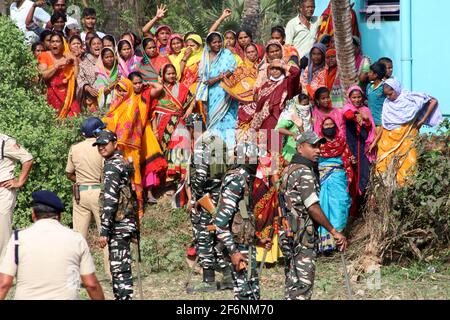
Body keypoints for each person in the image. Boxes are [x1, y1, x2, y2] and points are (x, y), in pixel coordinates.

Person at [279, 131, 347, 300]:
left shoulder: (288, 169)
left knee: (292, 283)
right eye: (313, 146)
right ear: (300, 148)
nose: (318, 150)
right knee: (302, 286)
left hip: (288, 232)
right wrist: (333, 231)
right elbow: (312, 207)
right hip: (301, 234)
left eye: (319, 146)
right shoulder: (304, 172)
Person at [0, 190, 104, 300]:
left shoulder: (18, 238)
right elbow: (91, 284)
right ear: (59, 216)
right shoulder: (76, 239)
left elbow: (4, 283)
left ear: (33, 214)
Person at [214, 143, 271, 300]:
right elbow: (220, 222)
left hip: (245, 245)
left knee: (250, 293)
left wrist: (258, 239)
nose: (258, 160)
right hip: (239, 248)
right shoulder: (237, 179)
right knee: (246, 295)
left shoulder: (245, 179)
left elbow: (242, 216)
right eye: (255, 157)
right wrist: (233, 251)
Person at [187, 113, 233, 291]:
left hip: (205, 198)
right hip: (220, 194)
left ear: (192, 128)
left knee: (203, 235)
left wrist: (195, 198)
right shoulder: (218, 140)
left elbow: (199, 176)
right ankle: (228, 275)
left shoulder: (201, 145)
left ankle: (209, 280)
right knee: (218, 234)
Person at [372, 79, 442, 186]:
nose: (388, 97)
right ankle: (387, 195)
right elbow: (384, 123)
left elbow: (433, 101)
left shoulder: (410, 99)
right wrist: (374, 142)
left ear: (396, 89)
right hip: (388, 141)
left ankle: (406, 194)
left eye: (390, 94)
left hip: (407, 138)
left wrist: (422, 120)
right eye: (386, 95)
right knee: (383, 168)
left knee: (408, 168)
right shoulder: (387, 103)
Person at [95, 130, 138, 300]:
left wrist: (104, 230)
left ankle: (123, 297)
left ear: (115, 143)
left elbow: (110, 199)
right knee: (122, 265)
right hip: (126, 221)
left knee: (118, 267)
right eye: (99, 145)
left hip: (118, 223)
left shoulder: (113, 166)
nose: (101, 148)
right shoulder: (122, 162)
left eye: (105, 144)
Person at [66, 117, 110, 277]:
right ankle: (112, 274)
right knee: (106, 233)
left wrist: (80, 180)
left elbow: (69, 173)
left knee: (78, 237)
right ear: (98, 131)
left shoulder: (74, 148)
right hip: (99, 191)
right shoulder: (102, 147)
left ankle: (75, 275)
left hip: (80, 193)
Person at [128, 72, 166, 204]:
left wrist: (147, 83)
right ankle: (137, 195)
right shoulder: (126, 97)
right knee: (134, 163)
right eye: (135, 83)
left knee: (150, 160)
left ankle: (150, 193)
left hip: (146, 131)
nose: (138, 85)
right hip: (132, 134)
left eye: (139, 82)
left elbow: (159, 88)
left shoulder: (146, 94)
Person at [317, 118, 353, 252]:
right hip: (323, 178)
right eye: (326, 125)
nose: (329, 127)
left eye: (331, 124)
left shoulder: (341, 141)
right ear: (322, 127)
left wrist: (351, 160)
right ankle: (326, 245)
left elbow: (347, 157)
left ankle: (339, 241)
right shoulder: (318, 143)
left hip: (339, 177)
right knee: (323, 207)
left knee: (340, 205)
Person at [251, 59, 300, 154]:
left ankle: (275, 168)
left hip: (278, 120)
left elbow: (296, 72)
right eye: (272, 68)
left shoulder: (287, 82)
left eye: (278, 68)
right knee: (263, 153)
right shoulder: (265, 85)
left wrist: (283, 65)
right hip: (264, 121)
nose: (275, 71)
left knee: (275, 152)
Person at [196, 32, 238, 145]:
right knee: (214, 120)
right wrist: (214, 79)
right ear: (209, 44)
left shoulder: (227, 53)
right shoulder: (205, 57)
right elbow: (203, 79)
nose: (218, 44)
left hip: (226, 93)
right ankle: (217, 147)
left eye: (219, 41)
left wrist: (218, 78)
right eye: (214, 42)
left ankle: (230, 146)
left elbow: (233, 68)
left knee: (228, 118)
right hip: (211, 94)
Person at [343, 86, 376, 219]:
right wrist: (358, 114)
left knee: (364, 176)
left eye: (359, 97)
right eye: (354, 97)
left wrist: (366, 119)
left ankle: (364, 210)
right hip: (350, 146)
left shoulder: (365, 110)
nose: (356, 100)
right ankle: (352, 212)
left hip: (363, 147)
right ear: (349, 98)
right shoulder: (347, 108)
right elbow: (348, 114)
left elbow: (369, 126)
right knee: (352, 178)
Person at [0, 134, 33, 259]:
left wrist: (20, 181)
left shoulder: (4, 141)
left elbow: (27, 158)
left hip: (3, 190)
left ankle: (3, 271)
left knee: (2, 235)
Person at [38, 32, 80, 118]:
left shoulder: (69, 57)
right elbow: (43, 76)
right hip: (51, 96)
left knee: (74, 117)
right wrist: (56, 66)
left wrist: (75, 62)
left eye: (57, 41)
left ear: (63, 44)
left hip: (68, 96)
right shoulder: (44, 55)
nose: (54, 44)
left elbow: (77, 78)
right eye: (52, 41)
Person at [276, 94, 312, 162]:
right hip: (292, 150)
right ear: (297, 104)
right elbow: (278, 128)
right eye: (303, 105)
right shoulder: (291, 115)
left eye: (307, 104)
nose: (306, 107)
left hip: (306, 150)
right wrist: (292, 134)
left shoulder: (310, 113)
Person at [77, 35, 103, 110]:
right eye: (94, 44)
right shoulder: (84, 63)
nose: (97, 46)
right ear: (90, 48)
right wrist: (88, 88)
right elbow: (80, 79)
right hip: (91, 99)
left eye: (99, 43)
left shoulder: (109, 61)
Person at [94, 47, 119, 113]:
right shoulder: (100, 73)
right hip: (106, 104)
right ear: (102, 59)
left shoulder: (119, 69)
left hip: (119, 102)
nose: (109, 59)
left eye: (111, 56)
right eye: (106, 57)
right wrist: (114, 83)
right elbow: (101, 91)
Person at [366, 62, 387, 129]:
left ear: (375, 75)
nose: (368, 74)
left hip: (381, 123)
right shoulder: (369, 86)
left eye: (370, 72)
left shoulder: (384, 87)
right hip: (370, 122)